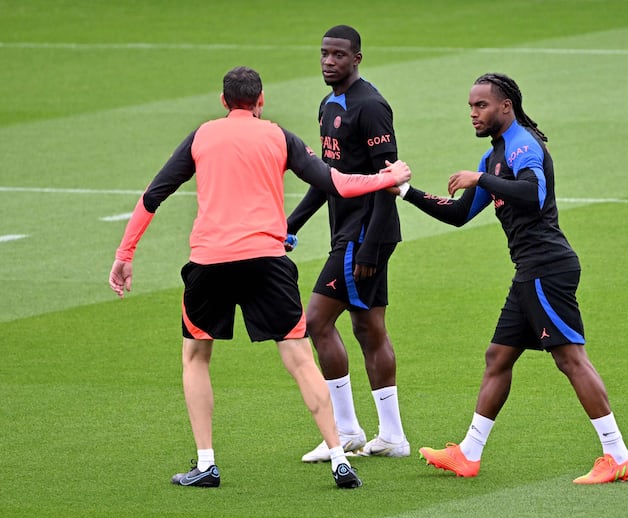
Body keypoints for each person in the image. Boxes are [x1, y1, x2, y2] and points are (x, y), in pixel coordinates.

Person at [107, 66, 411, 489]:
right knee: (301, 358)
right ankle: (340, 458)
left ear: (223, 101)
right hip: (267, 261)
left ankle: (207, 463)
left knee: (196, 358)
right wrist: (386, 178)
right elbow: (335, 182)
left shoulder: (201, 136)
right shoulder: (279, 136)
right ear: (261, 100)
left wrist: (125, 254)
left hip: (209, 263)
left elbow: (153, 194)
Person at [395, 72, 628, 482]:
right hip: (530, 271)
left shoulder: (523, 145)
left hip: (547, 268)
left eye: (481, 105)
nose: (473, 113)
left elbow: (534, 194)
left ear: (505, 106)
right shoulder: (493, 156)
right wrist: (405, 191)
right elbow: (458, 214)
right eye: (471, 106)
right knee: (498, 357)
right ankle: (468, 454)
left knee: (570, 358)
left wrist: (481, 179)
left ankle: (617, 454)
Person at [286, 25, 409, 462]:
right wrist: (292, 224)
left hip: (364, 234)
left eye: (338, 55)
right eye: (324, 53)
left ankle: (346, 429)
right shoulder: (328, 105)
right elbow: (329, 179)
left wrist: (371, 247)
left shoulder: (371, 107)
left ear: (357, 58)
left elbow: (386, 182)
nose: (328, 61)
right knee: (368, 328)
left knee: (316, 322)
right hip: (349, 232)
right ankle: (391, 436)